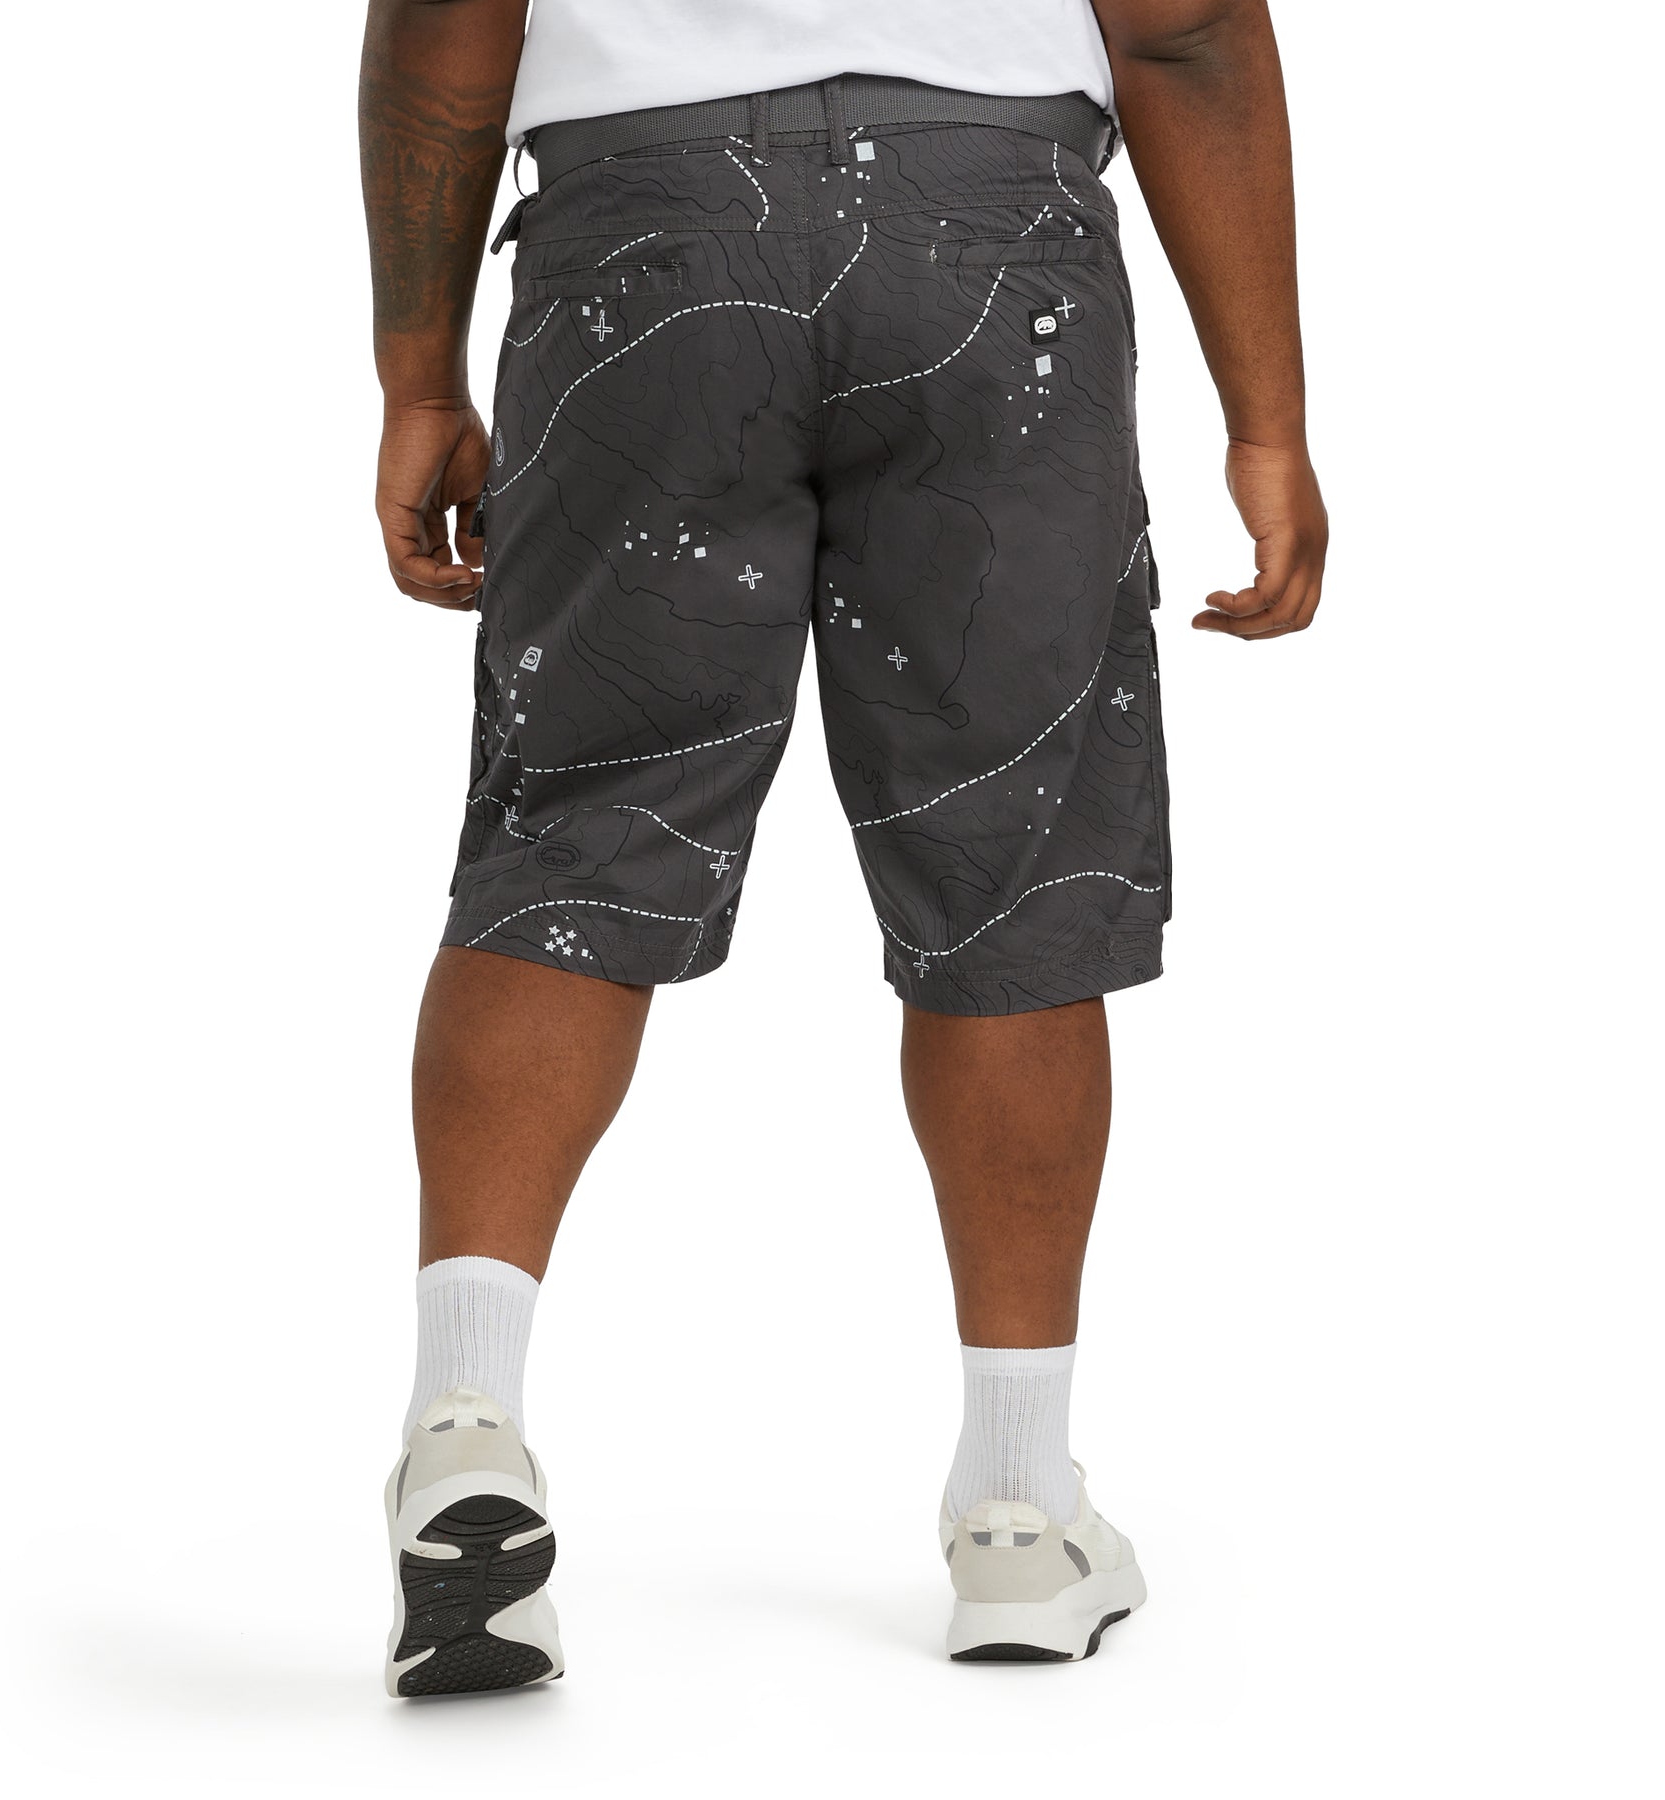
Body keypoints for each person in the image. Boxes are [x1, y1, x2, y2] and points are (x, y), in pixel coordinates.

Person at [360, 0, 1327, 1695]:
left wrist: (417, 374)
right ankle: (1018, 1516)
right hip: (989, 237)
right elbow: (1181, 34)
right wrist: (1268, 419)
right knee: (1016, 867)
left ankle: (466, 1417)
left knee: (573, 841)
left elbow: (444, 21)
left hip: (642, 237)